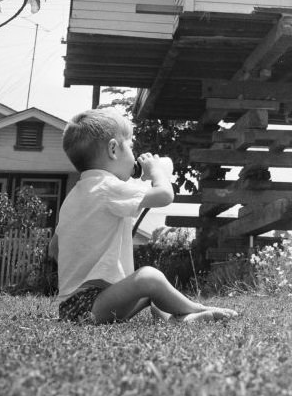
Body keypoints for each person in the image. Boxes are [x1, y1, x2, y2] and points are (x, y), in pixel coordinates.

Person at [49, 108, 238, 325]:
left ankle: (179, 319)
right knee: (148, 277)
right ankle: (199, 308)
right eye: (130, 146)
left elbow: (54, 249)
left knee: (151, 292)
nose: (134, 153)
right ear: (113, 149)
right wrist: (156, 170)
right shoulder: (107, 186)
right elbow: (165, 195)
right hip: (90, 305)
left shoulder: (76, 196)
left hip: (74, 306)